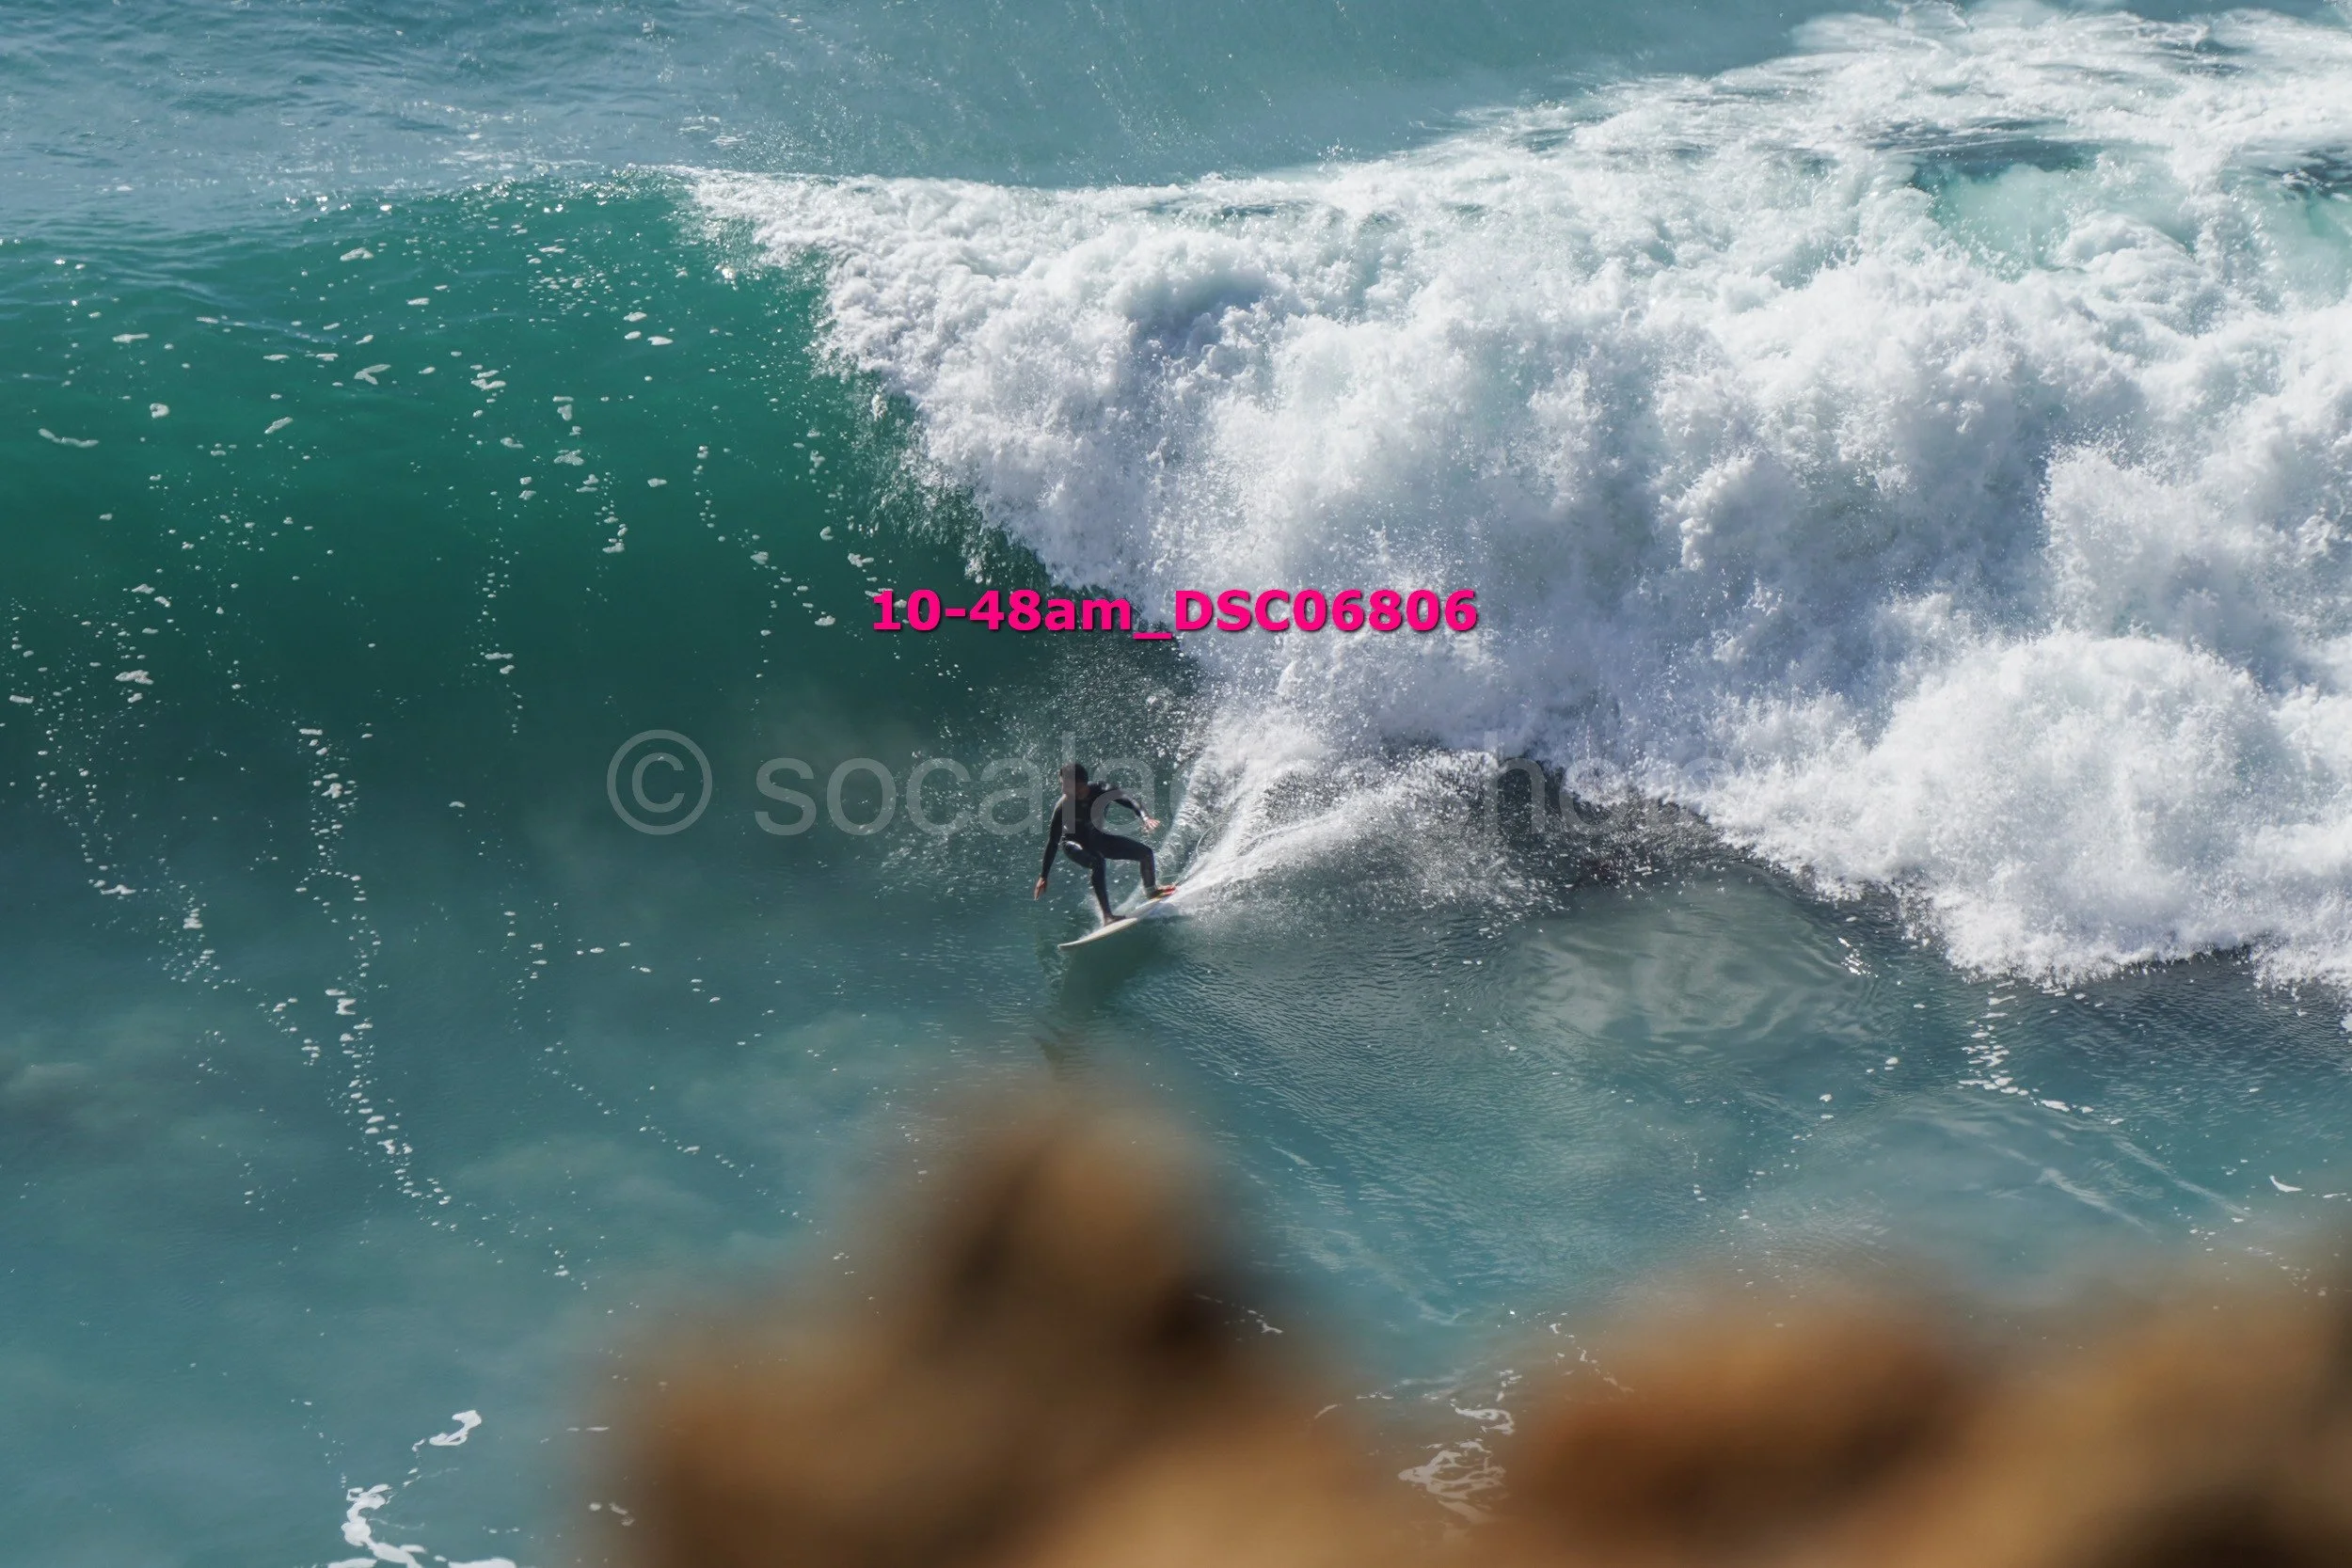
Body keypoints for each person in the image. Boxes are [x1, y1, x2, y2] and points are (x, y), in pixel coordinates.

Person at [1034, 763, 1172, 925]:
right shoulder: (1063, 807)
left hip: (1097, 839)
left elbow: (1129, 800)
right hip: (1072, 843)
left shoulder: (1102, 790)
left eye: (1065, 784)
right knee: (1097, 861)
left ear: (1079, 783)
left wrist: (1145, 818)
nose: (1062, 789)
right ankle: (1107, 916)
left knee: (1146, 853)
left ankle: (1151, 890)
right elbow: (1053, 842)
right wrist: (1044, 875)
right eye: (1062, 784)